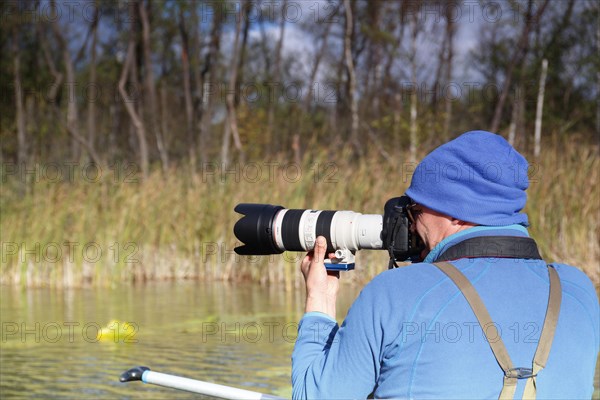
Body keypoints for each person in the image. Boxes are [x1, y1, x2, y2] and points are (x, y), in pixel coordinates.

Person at [291, 131, 599, 399]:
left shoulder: (393, 293)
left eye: (416, 211)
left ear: (455, 212)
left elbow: (314, 396)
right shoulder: (580, 290)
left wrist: (320, 298)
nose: (412, 226)